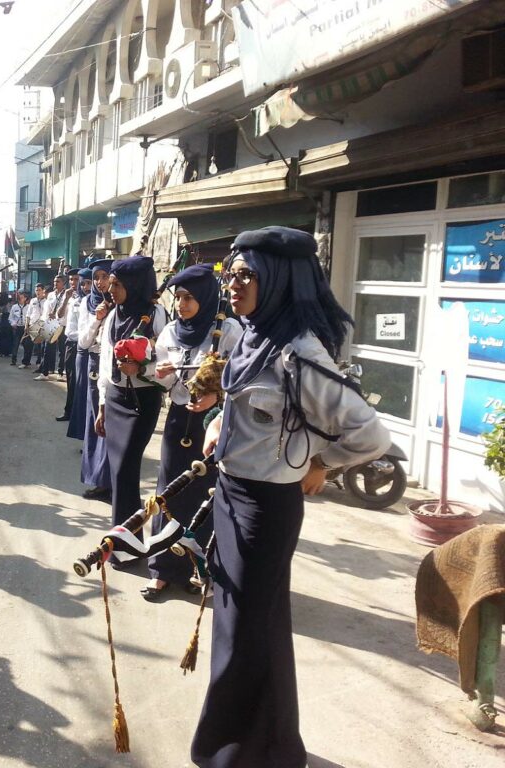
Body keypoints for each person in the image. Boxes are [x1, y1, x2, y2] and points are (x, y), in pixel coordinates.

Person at [191, 227, 390, 768]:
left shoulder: (300, 353)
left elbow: (370, 436)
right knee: (250, 628)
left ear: (277, 280)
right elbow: (245, 403)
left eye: (245, 275)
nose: (232, 285)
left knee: (245, 636)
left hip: (265, 509)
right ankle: (271, 748)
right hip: (231, 494)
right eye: (229, 274)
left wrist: (322, 463)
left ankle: (238, 754)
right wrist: (217, 424)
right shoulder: (251, 335)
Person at [141, 264, 241, 601]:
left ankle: (207, 572)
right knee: (169, 493)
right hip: (178, 419)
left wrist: (217, 394)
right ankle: (163, 571)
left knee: (208, 496)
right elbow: (164, 377)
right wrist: (163, 374)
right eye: (178, 297)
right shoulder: (170, 331)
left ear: (206, 297)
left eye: (189, 298)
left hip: (214, 423)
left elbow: (242, 379)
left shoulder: (227, 331)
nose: (182, 304)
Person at [94, 256, 167, 533]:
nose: (110, 290)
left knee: (126, 468)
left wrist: (142, 367)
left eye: (116, 284)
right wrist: (102, 404)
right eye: (110, 284)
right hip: (115, 399)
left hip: (141, 402)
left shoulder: (156, 315)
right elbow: (104, 362)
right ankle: (127, 537)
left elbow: (168, 358)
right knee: (117, 471)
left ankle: (125, 539)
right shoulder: (114, 314)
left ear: (134, 285)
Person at [76, 259, 112, 500]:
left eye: (104, 277)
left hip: (119, 368)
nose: (99, 282)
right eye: (96, 277)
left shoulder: (122, 301)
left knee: (113, 425)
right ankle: (98, 479)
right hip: (96, 363)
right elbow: (83, 342)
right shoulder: (88, 304)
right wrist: (97, 318)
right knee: (96, 422)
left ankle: (111, 478)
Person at [58, 268, 83, 421]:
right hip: (69, 342)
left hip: (82, 344)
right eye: (72, 280)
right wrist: (66, 299)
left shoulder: (87, 299)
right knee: (70, 378)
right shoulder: (71, 298)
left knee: (79, 381)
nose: (73, 283)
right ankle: (69, 411)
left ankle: (75, 413)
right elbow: (59, 315)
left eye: (76, 279)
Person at [34, 274, 67, 381]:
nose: (55, 283)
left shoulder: (67, 295)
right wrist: (44, 322)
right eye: (54, 281)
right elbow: (46, 310)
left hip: (62, 324)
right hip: (51, 324)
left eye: (58, 282)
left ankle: (61, 373)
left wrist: (56, 316)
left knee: (62, 350)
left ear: (63, 283)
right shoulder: (51, 295)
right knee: (47, 349)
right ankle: (44, 373)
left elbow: (67, 311)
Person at [20, 285, 44, 369]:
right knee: (27, 345)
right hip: (32, 325)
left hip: (41, 325)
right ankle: (25, 362)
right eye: (36, 290)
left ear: (43, 291)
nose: (37, 292)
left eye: (39, 290)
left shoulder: (46, 301)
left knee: (40, 346)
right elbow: (28, 314)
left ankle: (39, 362)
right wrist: (26, 325)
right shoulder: (33, 301)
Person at [8, 291, 27, 366]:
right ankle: (13, 360)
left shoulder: (28, 307)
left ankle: (25, 361)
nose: (20, 299)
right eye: (19, 298)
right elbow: (10, 318)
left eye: (22, 298)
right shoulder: (14, 307)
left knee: (26, 345)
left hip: (25, 328)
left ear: (25, 298)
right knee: (15, 344)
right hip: (17, 327)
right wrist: (13, 324)